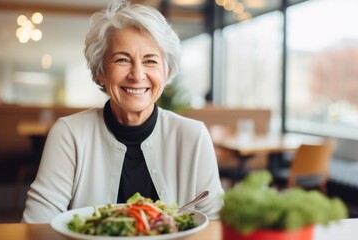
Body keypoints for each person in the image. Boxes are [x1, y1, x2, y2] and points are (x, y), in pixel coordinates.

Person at [22, 0, 224, 223]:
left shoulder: (193, 136)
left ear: (165, 73)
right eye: (122, 59)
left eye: (150, 61)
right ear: (100, 71)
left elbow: (213, 226)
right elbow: (37, 225)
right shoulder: (69, 134)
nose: (137, 75)